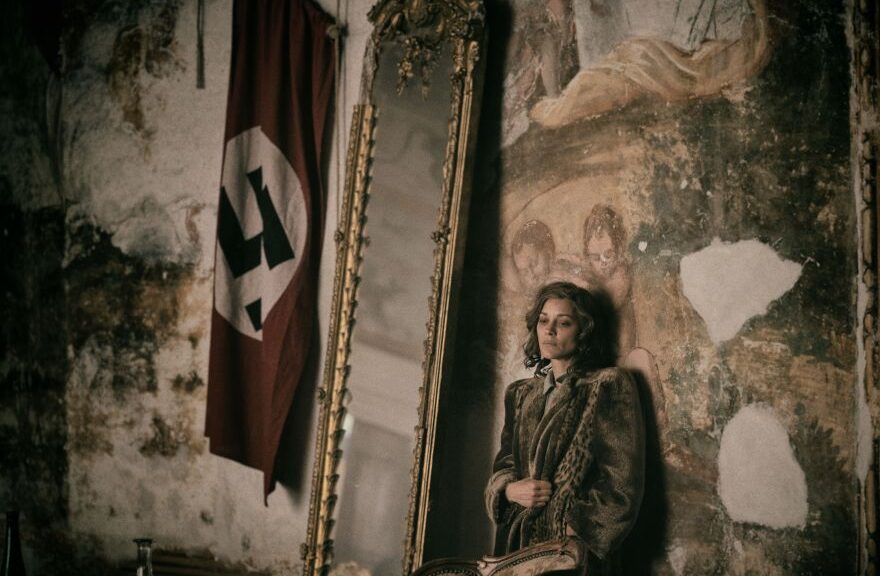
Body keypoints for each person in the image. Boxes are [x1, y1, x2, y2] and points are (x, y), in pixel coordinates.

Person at [485, 281, 645, 574]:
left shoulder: (607, 385)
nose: (549, 331)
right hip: (515, 551)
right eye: (543, 321)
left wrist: (575, 530)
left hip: (570, 556)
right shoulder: (520, 394)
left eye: (564, 323)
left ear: (583, 331)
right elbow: (505, 463)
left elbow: (622, 483)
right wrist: (508, 490)